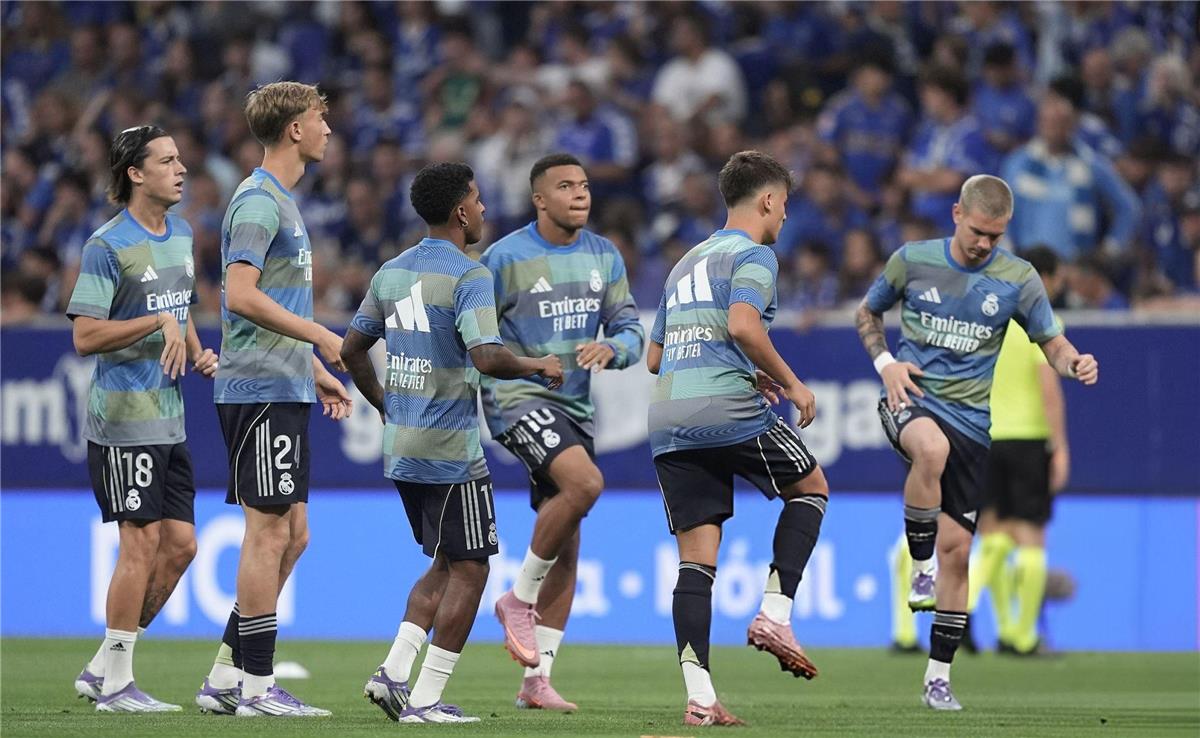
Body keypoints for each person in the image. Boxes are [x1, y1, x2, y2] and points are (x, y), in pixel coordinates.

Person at [856, 174, 1098, 710]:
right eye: (978, 232)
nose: (985, 244)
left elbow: (1051, 342)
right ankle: (920, 568)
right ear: (957, 214)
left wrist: (1073, 361)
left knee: (961, 555)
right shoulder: (912, 260)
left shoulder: (1018, 278)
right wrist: (886, 363)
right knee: (930, 449)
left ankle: (938, 678)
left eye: (996, 235)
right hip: (911, 399)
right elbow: (867, 311)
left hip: (973, 426)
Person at [341, 162, 563, 724]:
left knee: (446, 562)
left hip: (403, 446)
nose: (484, 209)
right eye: (478, 199)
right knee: (473, 568)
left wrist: (387, 405)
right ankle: (426, 699)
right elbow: (486, 356)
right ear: (461, 212)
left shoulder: (391, 271)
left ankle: (393, 674)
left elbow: (350, 350)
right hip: (449, 450)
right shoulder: (470, 276)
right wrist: (537, 364)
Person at [647, 151, 831, 726]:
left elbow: (655, 357)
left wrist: (745, 371)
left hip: (669, 416)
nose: (786, 215)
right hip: (723, 409)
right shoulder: (755, 255)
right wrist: (790, 382)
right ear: (768, 200)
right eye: (785, 203)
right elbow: (743, 325)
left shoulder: (684, 263)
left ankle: (700, 698)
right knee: (811, 488)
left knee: (696, 561)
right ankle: (775, 613)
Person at [197, 81, 353, 718]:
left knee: (294, 535)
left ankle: (225, 677)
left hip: (283, 380)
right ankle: (258, 690)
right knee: (268, 532)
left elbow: (271, 305)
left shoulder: (281, 201)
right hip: (258, 387)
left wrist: (310, 367)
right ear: (294, 129)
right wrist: (318, 333)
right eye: (320, 118)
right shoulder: (259, 201)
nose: (328, 129)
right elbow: (240, 295)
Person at [480, 153, 644, 712]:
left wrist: (614, 347)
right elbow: (477, 336)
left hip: (574, 407)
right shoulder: (504, 258)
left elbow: (630, 328)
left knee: (568, 548)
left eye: (585, 185)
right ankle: (517, 598)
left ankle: (537, 681)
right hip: (517, 400)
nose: (580, 194)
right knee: (586, 484)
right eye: (566, 186)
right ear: (539, 199)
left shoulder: (604, 255)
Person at [67, 125, 218, 712]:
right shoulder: (106, 245)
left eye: (181, 159)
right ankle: (117, 685)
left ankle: (103, 666)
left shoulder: (181, 233)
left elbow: (178, 308)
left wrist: (196, 349)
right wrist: (157, 325)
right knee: (140, 543)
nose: (181, 170)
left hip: (169, 417)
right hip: (124, 419)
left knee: (181, 547)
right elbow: (85, 336)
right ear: (135, 173)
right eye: (167, 161)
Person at [968, 246, 1070, 655]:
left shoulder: (986, 317)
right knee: (1030, 537)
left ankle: (977, 615)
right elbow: (1049, 386)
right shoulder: (1040, 319)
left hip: (986, 436)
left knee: (992, 536)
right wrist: (1058, 446)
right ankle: (1023, 636)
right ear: (1046, 278)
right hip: (1027, 439)